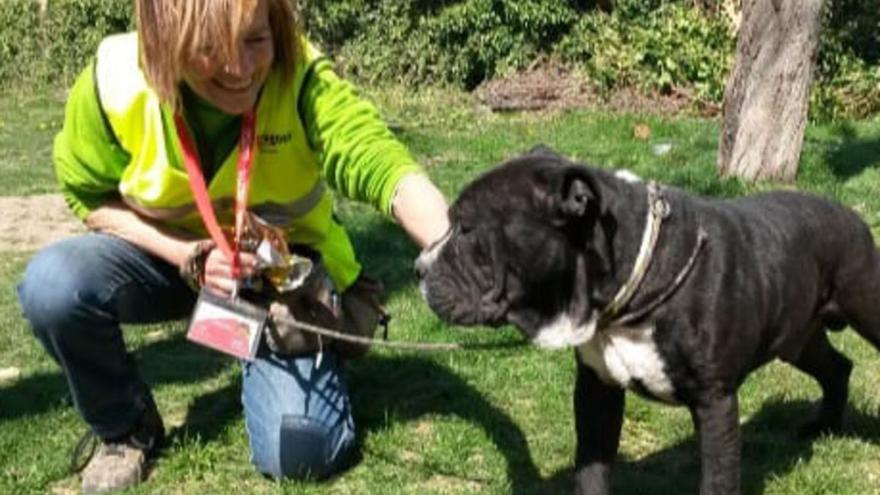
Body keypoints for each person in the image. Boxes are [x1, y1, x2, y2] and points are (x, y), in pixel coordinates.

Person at [16, 0, 450, 493]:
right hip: (171, 264)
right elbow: (86, 197)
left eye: (255, 40)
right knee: (53, 285)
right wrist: (189, 255)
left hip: (281, 280)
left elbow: (382, 163)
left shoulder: (301, 76)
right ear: (163, 42)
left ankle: (297, 351)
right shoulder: (113, 80)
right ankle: (125, 428)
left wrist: (450, 247)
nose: (241, 70)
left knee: (302, 452)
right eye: (209, 49)